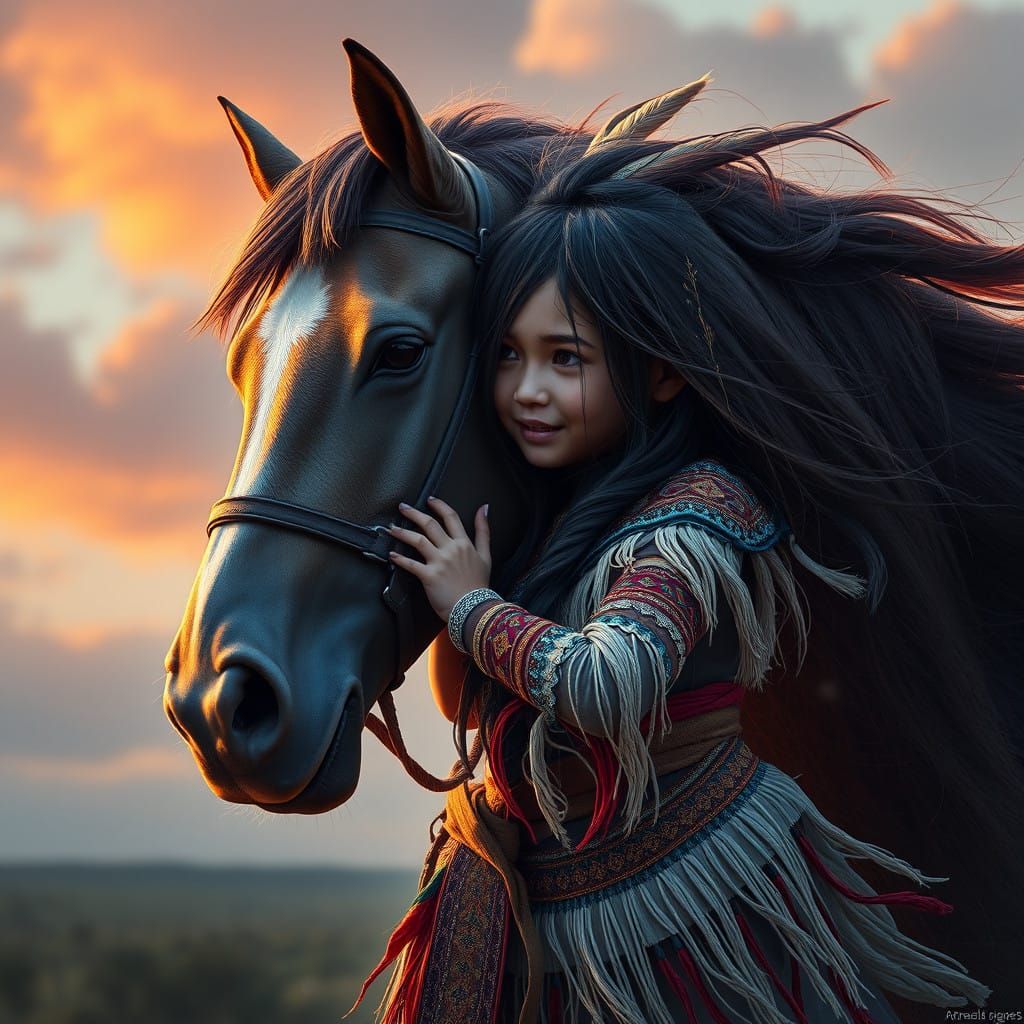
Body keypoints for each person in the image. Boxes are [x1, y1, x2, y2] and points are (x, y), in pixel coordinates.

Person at [355, 106, 1024, 1023]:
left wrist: (471, 606)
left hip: (681, 929)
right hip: (554, 907)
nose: (526, 391)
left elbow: (611, 680)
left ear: (662, 372)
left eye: (565, 359)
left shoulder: (698, 516)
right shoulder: (560, 512)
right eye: (507, 356)